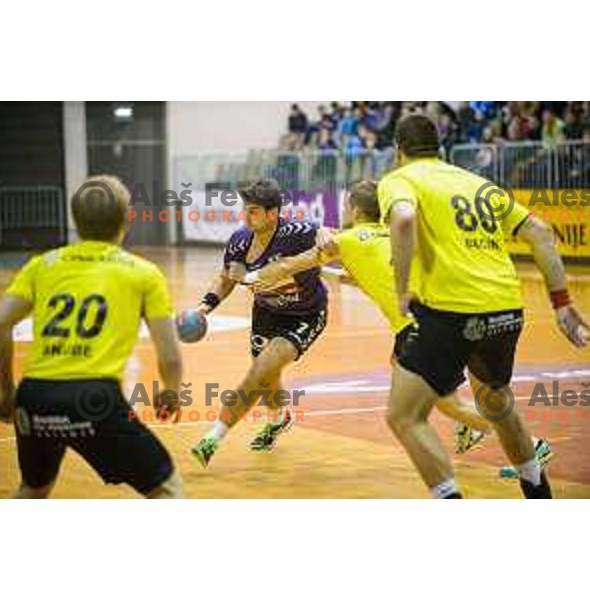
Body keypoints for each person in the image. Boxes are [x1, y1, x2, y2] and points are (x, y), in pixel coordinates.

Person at [244, 179, 553, 469]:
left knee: (449, 405)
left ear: (354, 209)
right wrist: (327, 271)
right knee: (400, 364)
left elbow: (291, 264)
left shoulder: (349, 239)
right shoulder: (389, 234)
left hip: (419, 326)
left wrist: (254, 276)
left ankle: (530, 445)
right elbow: (361, 278)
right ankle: (471, 425)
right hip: (445, 313)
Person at [380, 114, 589, 498]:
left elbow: (405, 218)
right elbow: (541, 233)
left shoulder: (400, 180)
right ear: (440, 149)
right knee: (495, 400)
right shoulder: (476, 182)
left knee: (403, 415)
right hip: (507, 309)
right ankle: (538, 492)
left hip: (453, 310)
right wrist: (561, 303)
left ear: (399, 151)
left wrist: (401, 289)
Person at [0, 176, 184, 499]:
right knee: (167, 488)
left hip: (35, 396)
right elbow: (171, 356)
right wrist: (172, 392)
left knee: (33, 488)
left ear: (75, 221)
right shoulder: (143, 273)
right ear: (126, 219)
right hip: (95, 400)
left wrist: (7, 393)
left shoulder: (43, 265)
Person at [190, 179, 328, 466]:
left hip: (304, 314)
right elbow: (227, 277)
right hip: (265, 313)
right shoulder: (240, 239)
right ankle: (279, 418)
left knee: (261, 368)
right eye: (246, 210)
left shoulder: (297, 233)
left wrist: (324, 235)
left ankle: (212, 438)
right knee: (266, 380)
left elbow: (329, 237)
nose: (246, 216)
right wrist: (205, 306)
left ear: (272, 213)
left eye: (253, 211)